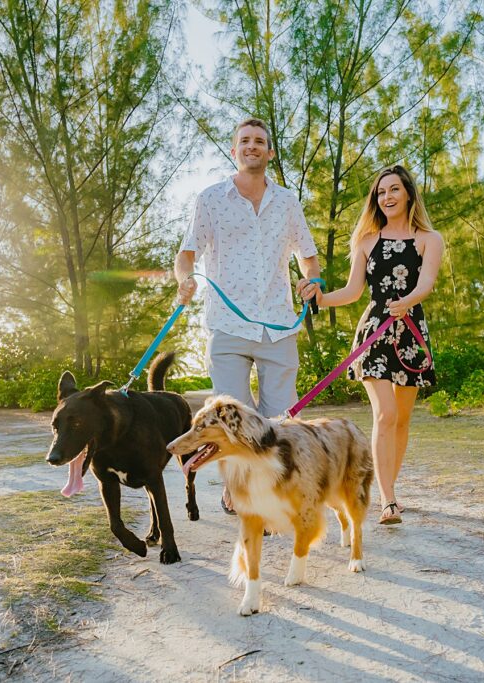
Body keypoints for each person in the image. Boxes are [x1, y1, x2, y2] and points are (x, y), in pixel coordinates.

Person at [174, 117, 321, 515]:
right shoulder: (210, 199)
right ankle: (236, 491)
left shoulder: (288, 202)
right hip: (227, 323)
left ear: (269, 152)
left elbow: (307, 254)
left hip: (278, 323)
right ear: (234, 149)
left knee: (281, 419)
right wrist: (185, 280)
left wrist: (313, 280)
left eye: (259, 141)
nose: (252, 146)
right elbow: (187, 252)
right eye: (245, 141)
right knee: (230, 420)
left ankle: (273, 493)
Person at [315, 165, 441, 524]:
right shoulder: (367, 241)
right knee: (384, 414)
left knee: (401, 420)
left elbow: (426, 283)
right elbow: (354, 291)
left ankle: (390, 491)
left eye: (394, 190)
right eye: (381, 191)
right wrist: (321, 299)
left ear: (408, 194)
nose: (387, 197)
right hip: (375, 331)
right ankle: (386, 500)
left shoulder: (429, 239)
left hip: (411, 332)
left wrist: (408, 301)